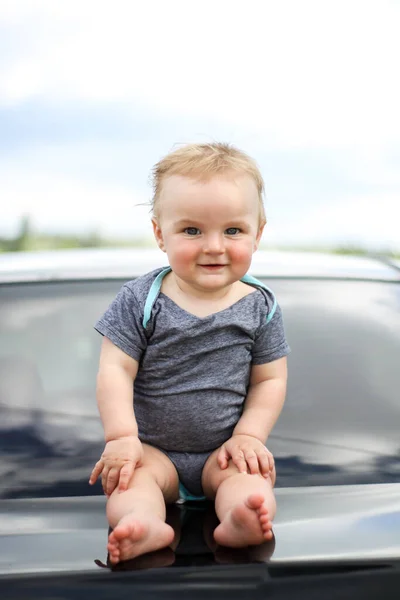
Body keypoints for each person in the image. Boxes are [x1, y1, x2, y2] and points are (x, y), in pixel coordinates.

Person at [89, 142, 290, 564]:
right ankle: (144, 526)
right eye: (192, 231)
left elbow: (269, 379)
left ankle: (240, 520)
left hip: (224, 451)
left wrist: (249, 436)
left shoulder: (261, 306)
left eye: (233, 230)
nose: (214, 246)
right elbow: (115, 369)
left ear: (259, 233)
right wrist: (122, 437)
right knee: (130, 488)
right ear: (161, 234)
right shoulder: (141, 299)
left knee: (249, 483)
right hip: (153, 451)